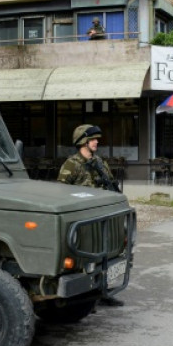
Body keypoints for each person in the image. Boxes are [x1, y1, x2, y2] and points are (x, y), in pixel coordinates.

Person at [58, 124, 123, 306]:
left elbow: (111, 184)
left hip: (103, 217)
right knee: (87, 258)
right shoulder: (72, 164)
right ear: (82, 142)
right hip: (84, 220)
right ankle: (85, 295)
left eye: (96, 139)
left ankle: (103, 292)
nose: (96, 142)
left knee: (106, 255)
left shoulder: (100, 163)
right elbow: (60, 192)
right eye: (92, 139)